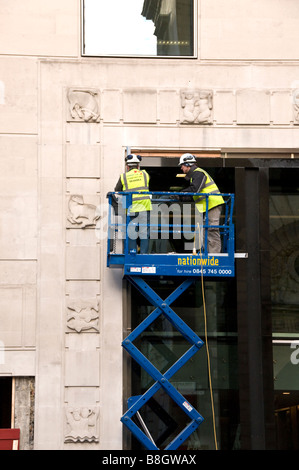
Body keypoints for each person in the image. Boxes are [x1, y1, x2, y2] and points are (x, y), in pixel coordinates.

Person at [178, 153, 224, 253]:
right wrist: (181, 197)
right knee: (205, 231)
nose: (181, 168)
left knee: (212, 229)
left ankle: (214, 256)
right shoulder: (195, 176)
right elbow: (195, 194)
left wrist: (181, 193)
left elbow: (195, 189)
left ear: (188, 164)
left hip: (213, 204)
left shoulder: (198, 173)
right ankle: (207, 254)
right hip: (208, 206)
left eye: (182, 165)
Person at [114, 154, 152, 254]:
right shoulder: (145, 174)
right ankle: (144, 253)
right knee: (144, 233)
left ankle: (132, 252)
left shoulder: (124, 177)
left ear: (127, 167)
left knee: (131, 233)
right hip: (144, 206)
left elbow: (117, 190)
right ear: (138, 166)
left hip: (131, 208)